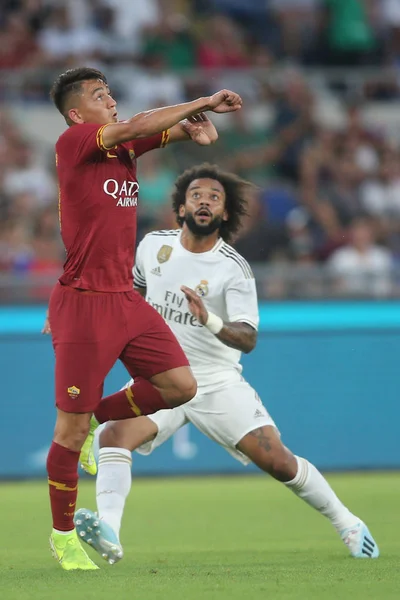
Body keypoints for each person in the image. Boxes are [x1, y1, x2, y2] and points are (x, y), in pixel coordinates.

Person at [73, 164, 379, 564]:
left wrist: (209, 320)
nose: (205, 201)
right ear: (180, 208)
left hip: (215, 381)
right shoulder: (152, 247)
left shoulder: (232, 268)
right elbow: (130, 293)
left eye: (215, 198)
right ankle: (110, 531)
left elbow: (248, 338)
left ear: (225, 214)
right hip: (163, 379)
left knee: (278, 461)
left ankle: (349, 524)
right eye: (196, 195)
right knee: (112, 437)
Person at [45, 67, 242, 571]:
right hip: (85, 303)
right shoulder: (75, 142)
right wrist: (202, 98)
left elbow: (170, 130)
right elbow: (139, 125)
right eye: (98, 95)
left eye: (111, 92)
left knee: (179, 386)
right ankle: (63, 537)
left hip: (125, 299)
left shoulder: (122, 150)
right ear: (75, 113)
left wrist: (197, 124)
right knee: (65, 437)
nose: (110, 100)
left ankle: (96, 417)